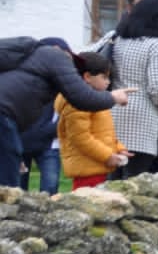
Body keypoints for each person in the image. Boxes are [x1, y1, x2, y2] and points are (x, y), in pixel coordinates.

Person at [0, 39, 130, 187]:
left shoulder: (23, 65)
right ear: (58, 49)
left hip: (7, 121)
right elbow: (82, 98)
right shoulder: (54, 56)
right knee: (8, 185)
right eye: (70, 59)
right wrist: (112, 97)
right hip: (87, 167)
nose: (71, 68)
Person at [109, 0, 158, 178]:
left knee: (112, 176)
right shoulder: (156, 45)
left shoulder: (116, 38)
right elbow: (157, 86)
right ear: (155, 18)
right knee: (135, 178)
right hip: (142, 117)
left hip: (112, 110)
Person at [56, 52, 128, 188]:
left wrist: (118, 148)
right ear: (87, 77)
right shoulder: (79, 103)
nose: (108, 81)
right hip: (87, 170)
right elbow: (80, 138)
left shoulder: (96, 100)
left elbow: (102, 133)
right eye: (104, 77)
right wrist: (107, 156)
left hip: (96, 166)